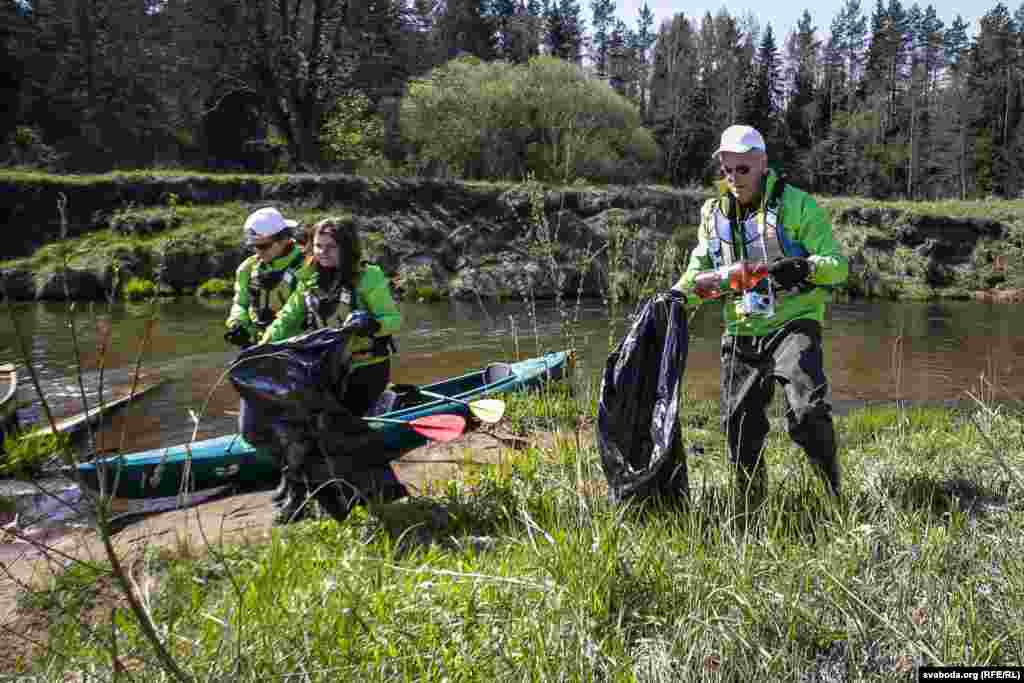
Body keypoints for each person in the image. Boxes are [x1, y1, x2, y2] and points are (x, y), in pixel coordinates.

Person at [671, 124, 849, 511]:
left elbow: (838, 267)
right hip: (740, 328)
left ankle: (832, 492)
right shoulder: (711, 213)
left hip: (794, 321)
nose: (734, 179)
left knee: (806, 412)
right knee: (738, 426)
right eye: (727, 170)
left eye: (743, 170)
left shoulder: (799, 205)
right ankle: (748, 509)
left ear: (763, 164)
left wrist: (804, 267)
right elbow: (698, 269)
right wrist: (674, 300)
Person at [257, 216, 403, 523]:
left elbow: (393, 320)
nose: (322, 252)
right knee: (297, 428)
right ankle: (305, 495)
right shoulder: (308, 278)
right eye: (318, 246)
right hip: (327, 371)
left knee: (330, 429)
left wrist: (371, 324)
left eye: (330, 247)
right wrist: (263, 345)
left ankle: (371, 496)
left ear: (347, 249)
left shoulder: (368, 277)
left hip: (366, 370)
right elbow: (287, 318)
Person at [224, 207, 305, 349]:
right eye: (253, 246)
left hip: (297, 349)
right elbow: (240, 303)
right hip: (257, 347)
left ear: (284, 239)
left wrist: (267, 342)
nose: (257, 251)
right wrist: (238, 324)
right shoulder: (248, 268)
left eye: (263, 246)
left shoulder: (307, 266)